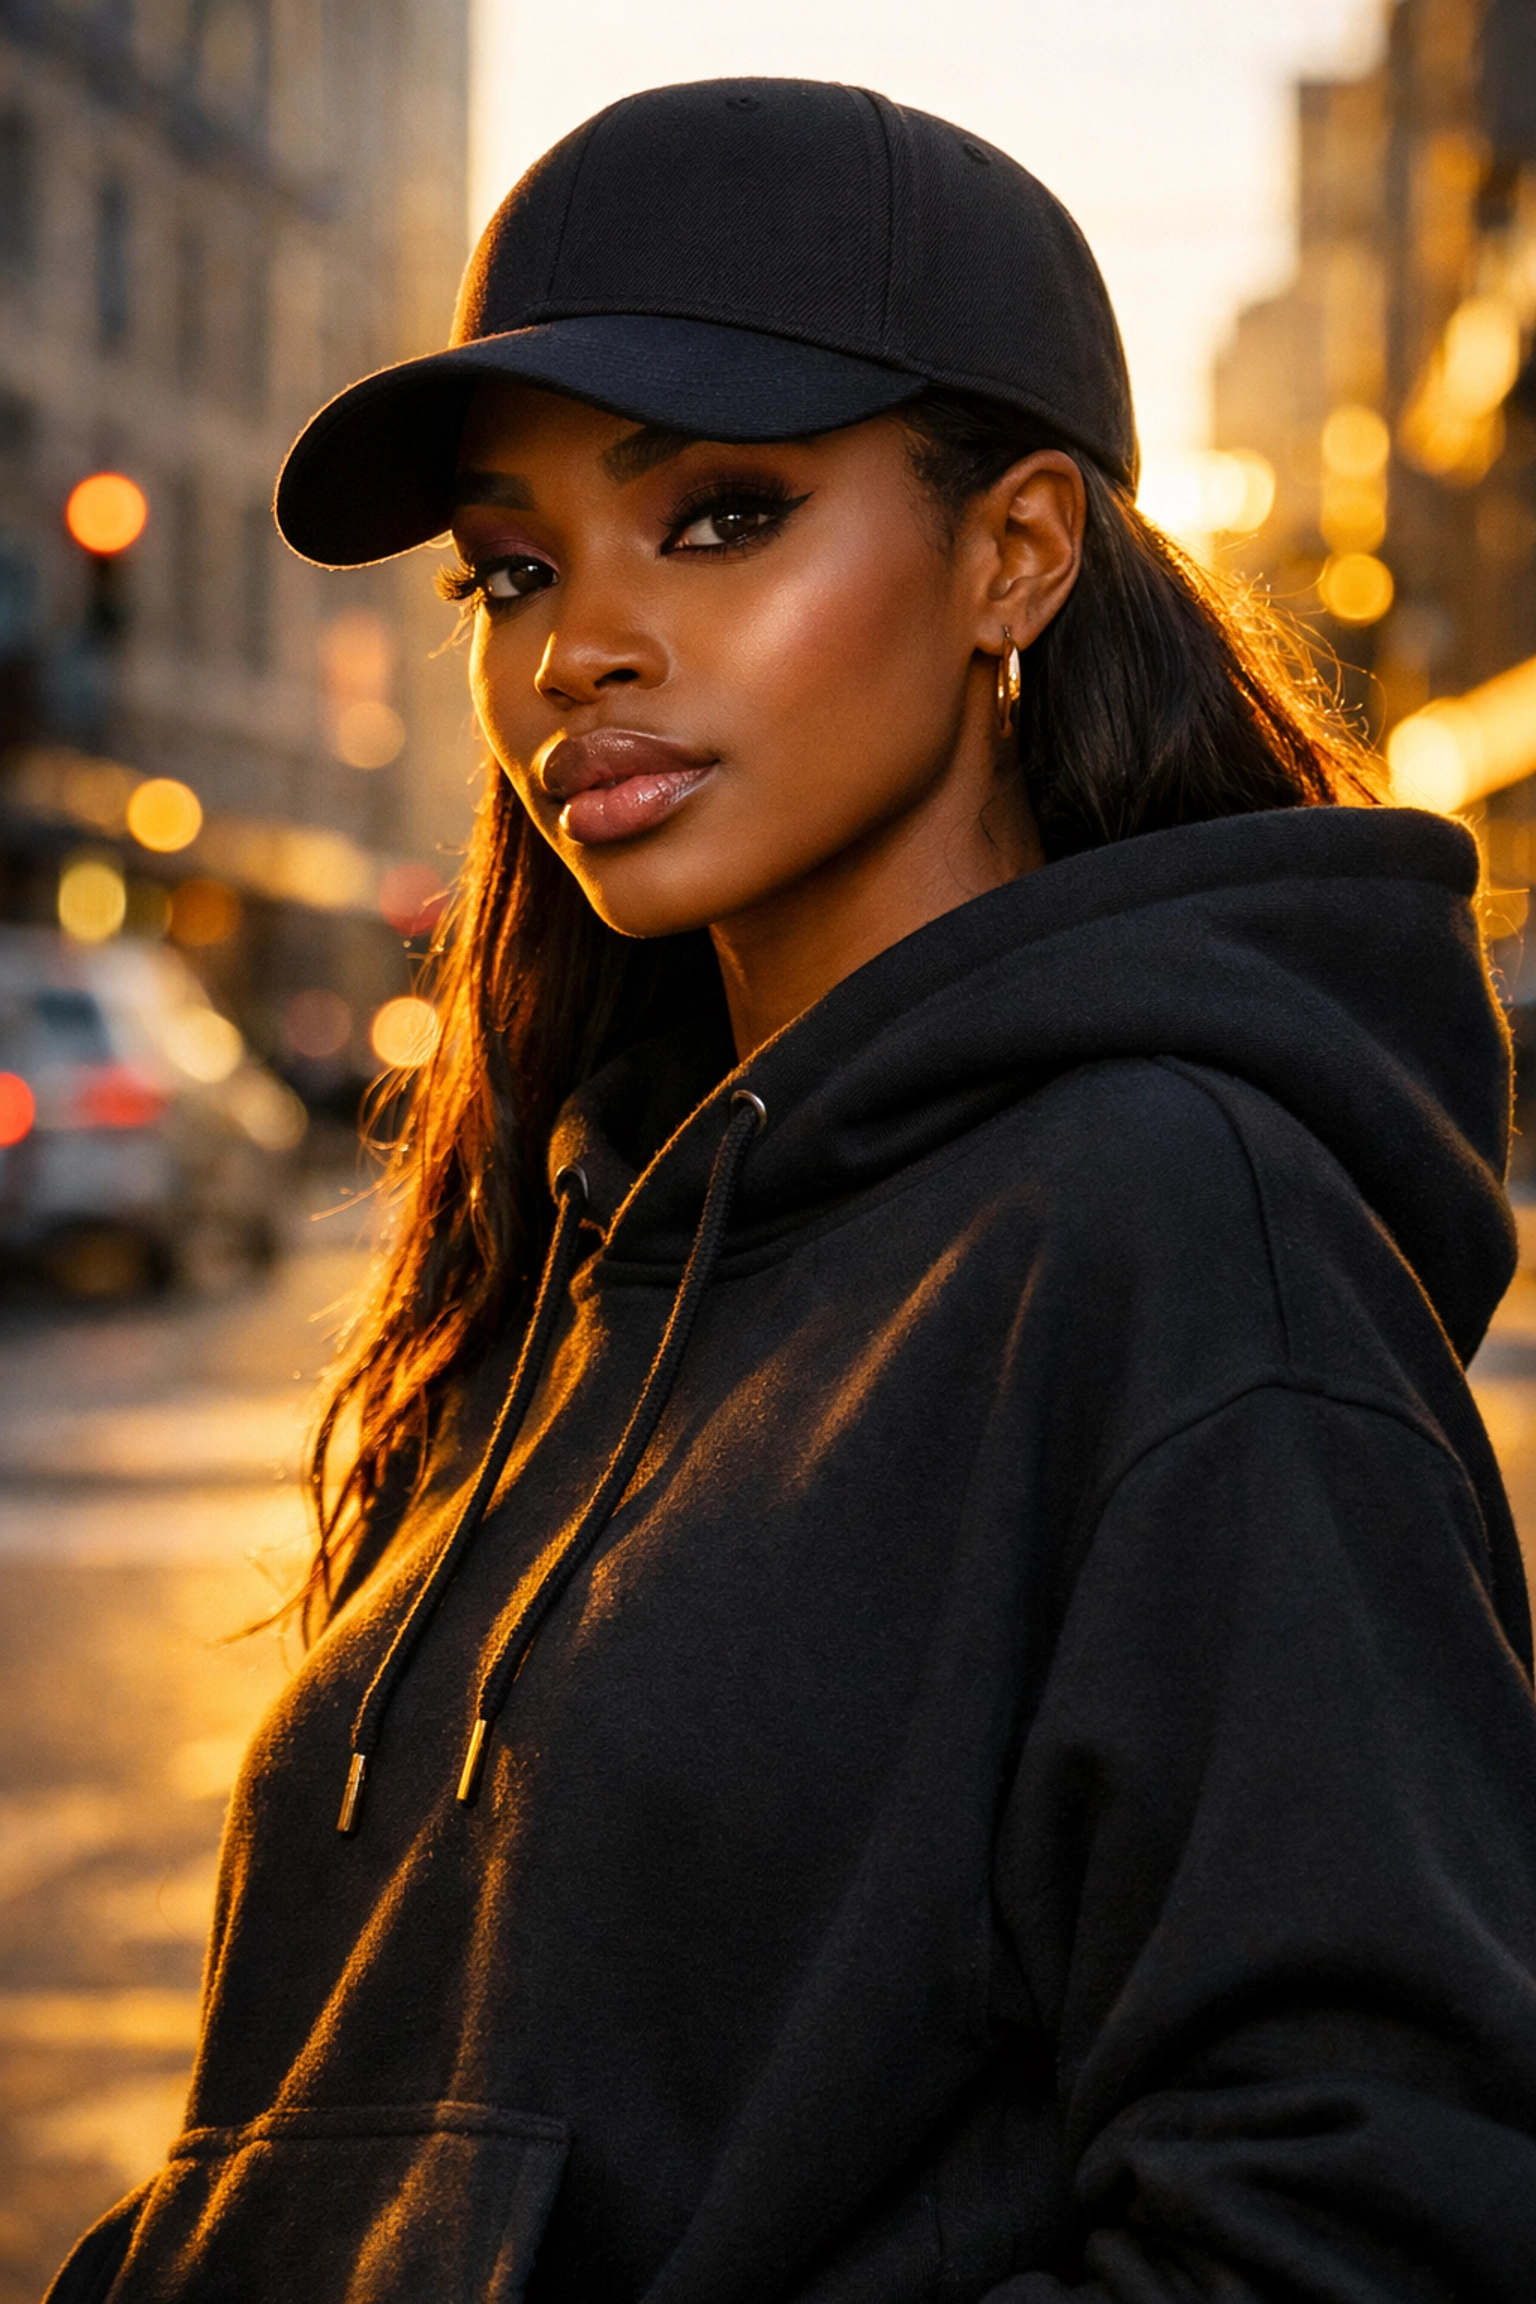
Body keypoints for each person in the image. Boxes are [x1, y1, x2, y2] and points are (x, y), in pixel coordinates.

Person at [48, 77, 1536, 2304]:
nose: (579, 650)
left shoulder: (1169, 1228)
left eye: (722, 517)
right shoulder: (587, 1256)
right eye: (515, 565)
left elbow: (1364, 2223)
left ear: (1014, 554)